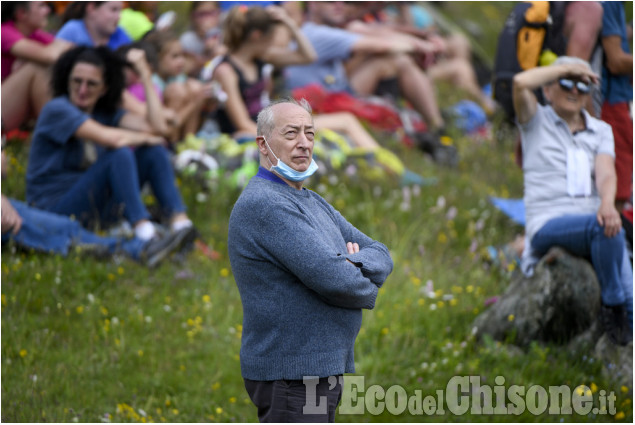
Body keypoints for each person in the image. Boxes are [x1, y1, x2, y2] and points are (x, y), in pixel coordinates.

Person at [228, 98, 393, 422]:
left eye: (310, 133)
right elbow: (335, 279)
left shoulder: (309, 199)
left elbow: (381, 253)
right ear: (263, 144)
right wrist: (344, 267)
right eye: (291, 134)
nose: (304, 143)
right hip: (293, 374)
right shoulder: (266, 204)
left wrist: (350, 263)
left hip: (319, 367)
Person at [513, 56, 633, 346]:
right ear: (547, 89)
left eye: (582, 84)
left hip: (596, 223)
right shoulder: (535, 120)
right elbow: (519, 82)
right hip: (548, 223)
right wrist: (568, 67)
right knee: (603, 228)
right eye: (566, 82)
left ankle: (621, 340)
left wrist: (607, 202)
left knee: (612, 229)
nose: (574, 90)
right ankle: (612, 306)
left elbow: (606, 174)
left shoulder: (600, 130)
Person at [25, 46, 195, 247]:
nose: (82, 90)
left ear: (104, 88)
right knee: (119, 154)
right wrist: (146, 138)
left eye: (91, 84)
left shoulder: (105, 113)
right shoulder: (57, 109)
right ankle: (145, 234)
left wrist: (145, 74)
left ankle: (181, 226)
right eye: (76, 81)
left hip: (92, 204)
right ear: (66, 80)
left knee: (153, 152)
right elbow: (111, 138)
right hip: (54, 210)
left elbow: (157, 128)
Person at [283, 1, 458, 166]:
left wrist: (422, 39)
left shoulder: (330, 29)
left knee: (392, 60)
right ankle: (436, 130)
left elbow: (383, 32)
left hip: (330, 94)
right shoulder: (315, 32)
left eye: (343, 1)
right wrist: (423, 46)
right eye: (329, 1)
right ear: (312, 4)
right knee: (397, 60)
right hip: (321, 104)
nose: (339, 5)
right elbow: (382, 45)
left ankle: (430, 128)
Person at [1, 1, 73, 132]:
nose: (48, 10)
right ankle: (55, 136)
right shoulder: (4, 32)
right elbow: (50, 55)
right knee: (38, 67)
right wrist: (57, 48)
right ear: (22, 13)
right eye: (41, 6)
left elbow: (73, 51)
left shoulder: (33, 35)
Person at [142, 30, 215, 144]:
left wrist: (208, 102)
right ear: (157, 58)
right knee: (176, 90)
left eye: (182, 55)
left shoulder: (177, 77)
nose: (182, 61)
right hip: (162, 130)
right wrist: (194, 103)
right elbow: (171, 118)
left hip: (181, 125)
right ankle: (173, 144)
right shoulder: (152, 81)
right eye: (175, 56)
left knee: (194, 87)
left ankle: (189, 141)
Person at [599, 1, 633, 213]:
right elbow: (615, 61)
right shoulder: (610, 3)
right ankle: (615, 240)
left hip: (610, 101)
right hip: (611, 102)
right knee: (618, 188)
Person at [56, 1, 132, 50]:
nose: (119, 16)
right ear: (91, 8)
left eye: (120, 11)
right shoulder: (72, 31)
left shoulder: (120, 34)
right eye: (113, 9)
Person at [179, 1, 226, 77]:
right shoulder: (187, 39)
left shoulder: (225, 35)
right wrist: (208, 53)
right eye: (201, 14)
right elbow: (187, 69)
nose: (206, 19)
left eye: (211, 13)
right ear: (193, 17)